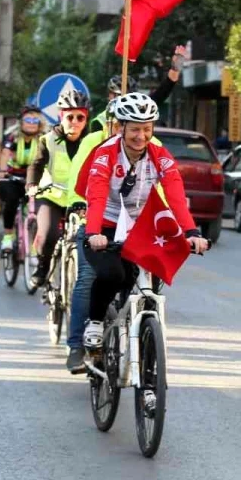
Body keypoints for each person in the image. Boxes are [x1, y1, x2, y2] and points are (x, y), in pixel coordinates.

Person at [79, 93, 208, 365]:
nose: (141, 136)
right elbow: (97, 194)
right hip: (104, 226)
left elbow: (174, 193)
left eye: (147, 129)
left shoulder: (159, 156)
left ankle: (141, 334)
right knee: (112, 273)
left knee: (145, 277)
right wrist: (93, 233)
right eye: (135, 128)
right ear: (120, 127)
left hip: (139, 228)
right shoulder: (105, 154)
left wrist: (191, 232)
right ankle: (95, 323)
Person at [26, 90, 90, 291]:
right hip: (51, 196)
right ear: (61, 116)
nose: (75, 122)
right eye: (70, 117)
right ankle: (42, 269)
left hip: (79, 200)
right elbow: (35, 166)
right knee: (48, 235)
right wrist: (31, 185)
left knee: (90, 240)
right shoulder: (48, 140)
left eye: (80, 117)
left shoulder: (92, 142)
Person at [89, 46, 185, 136]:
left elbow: (162, 92)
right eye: (116, 96)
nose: (120, 101)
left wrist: (175, 69)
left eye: (125, 97)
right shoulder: (99, 122)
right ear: (109, 96)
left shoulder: (141, 112)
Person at [0, 104, 44, 252]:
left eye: (35, 121)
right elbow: (4, 154)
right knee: (11, 200)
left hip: (35, 179)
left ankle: (36, 245)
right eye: (27, 119)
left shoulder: (44, 139)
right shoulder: (12, 137)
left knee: (44, 207)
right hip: (13, 177)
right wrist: (2, 170)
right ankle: (8, 237)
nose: (31, 123)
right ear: (21, 122)